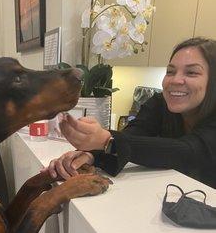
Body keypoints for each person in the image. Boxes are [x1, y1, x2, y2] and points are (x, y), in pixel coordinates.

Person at [45, 37, 216, 189]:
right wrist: (91, 153)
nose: (176, 80)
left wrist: (106, 141)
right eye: (170, 71)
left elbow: (187, 152)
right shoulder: (159, 102)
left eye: (192, 72)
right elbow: (133, 134)